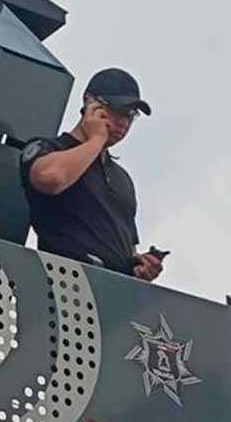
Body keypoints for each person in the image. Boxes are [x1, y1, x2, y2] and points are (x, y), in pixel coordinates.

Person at [20, 68, 165, 282]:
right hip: (67, 283)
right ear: (91, 104)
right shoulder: (49, 148)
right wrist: (96, 139)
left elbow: (126, 248)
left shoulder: (122, 179)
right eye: (118, 110)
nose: (124, 122)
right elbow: (50, 179)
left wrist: (140, 266)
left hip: (114, 290)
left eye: (131, 115)